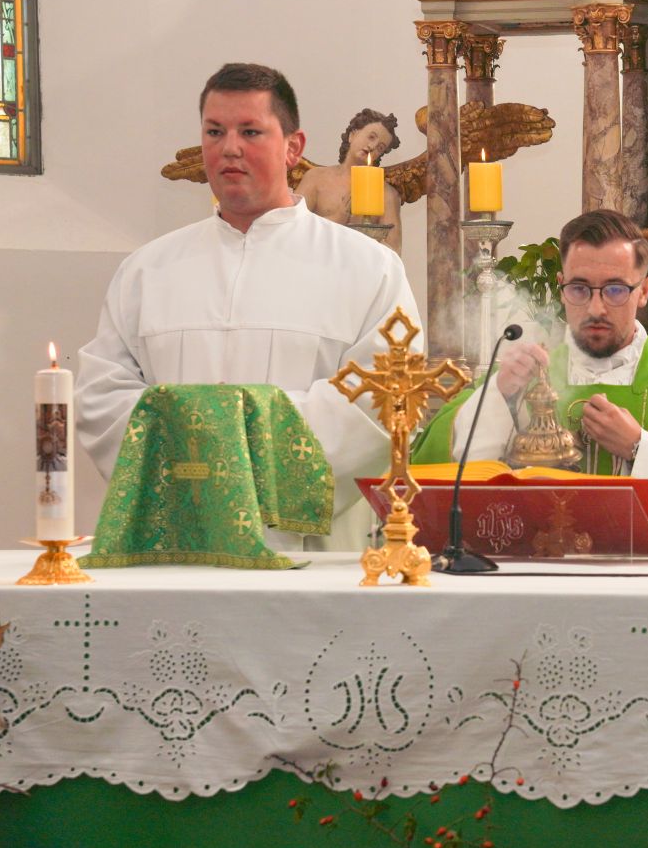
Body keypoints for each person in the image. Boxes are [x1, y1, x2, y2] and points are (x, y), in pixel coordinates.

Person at [77, 63, 419, 550]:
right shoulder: (147, 271)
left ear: (293, 147)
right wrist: (200, 459)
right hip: (175, 547)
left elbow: (383, 402)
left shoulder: (369, 269)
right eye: (214, 132)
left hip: (310, 560)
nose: (229, 147)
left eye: (250, 131)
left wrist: (227, 442)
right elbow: (101, 397)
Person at [411, 209, 648, 548]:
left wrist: (640, 448)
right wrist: (498, 396)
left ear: (645, 291)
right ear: (561, 287)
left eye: (616, 289)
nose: (596, 308)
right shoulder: (515, 379)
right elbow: (424, 474)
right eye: (580, 289)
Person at [296, 108, 404, 252]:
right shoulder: (316, 178)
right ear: (352, 135)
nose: (372, 147)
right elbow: (293, 229)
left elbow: (394, 252)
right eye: (371, 137)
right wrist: (338, 217)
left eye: (380, 147)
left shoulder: (387, 194)